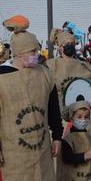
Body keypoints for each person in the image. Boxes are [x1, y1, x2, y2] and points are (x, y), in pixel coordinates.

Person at [0, 17, 63, 181]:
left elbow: (54, 108)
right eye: (32, 52)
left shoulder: (44, 73)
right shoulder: (2, 77)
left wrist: (57, 136)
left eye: (37, 50)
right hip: (13, 151)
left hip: (42, 149)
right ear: (19, 53)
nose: (37, 55)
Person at [47, 28, 91, 107]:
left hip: (80, 106)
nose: (70, 45)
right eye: (66, 44)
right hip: (59, 107)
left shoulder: (83, 63)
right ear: (60, 47)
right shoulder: (52, 64)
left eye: (72, 43)